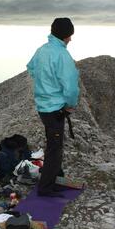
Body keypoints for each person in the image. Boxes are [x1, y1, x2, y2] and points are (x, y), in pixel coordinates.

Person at [26, 17, 80, 196]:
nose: (71, 39)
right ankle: (46, 188)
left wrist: (44, 84)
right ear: (65, 35)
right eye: (70, 35)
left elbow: (31, 67)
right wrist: (70, 104)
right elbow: (71, 86)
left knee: (54, 143)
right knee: (54, 148)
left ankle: (55, 178)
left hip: (43, 106)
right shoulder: (62, 55)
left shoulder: (42, 50)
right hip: (55, 108)